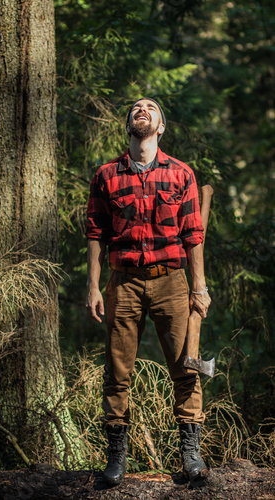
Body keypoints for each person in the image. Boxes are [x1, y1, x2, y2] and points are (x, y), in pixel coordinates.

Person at [85, 97, 211, 485]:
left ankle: (191, 455)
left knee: (186, 367)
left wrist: (199, 287)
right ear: (128, 126)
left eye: (151, 107)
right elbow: (95, 233)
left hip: (171, 281)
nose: (142, 109)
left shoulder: (181, 174)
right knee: (117, 372)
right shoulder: (107, 175)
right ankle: (116, 459)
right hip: (122, 282)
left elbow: (193, 234)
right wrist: (93, 285)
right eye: (136, 107)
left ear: (161, 127)